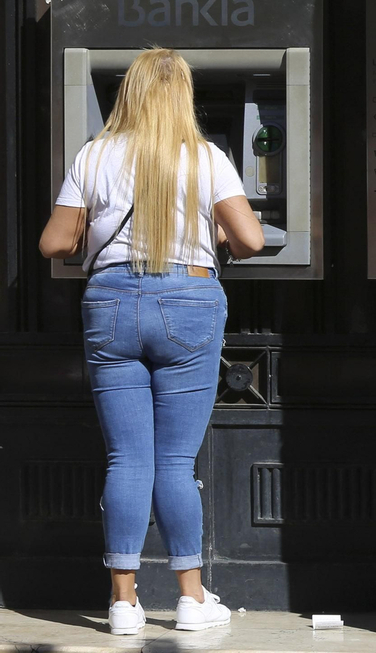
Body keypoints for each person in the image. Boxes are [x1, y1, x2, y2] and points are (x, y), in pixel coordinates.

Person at [39, 48, 265, 636]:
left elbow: (52, 243)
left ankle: (121, 604)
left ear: (128, 93)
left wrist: (90, 234)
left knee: (127, 459)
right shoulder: (206, 157)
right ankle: (191, 600)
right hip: (188, 302)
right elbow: (251, 240)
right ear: (183, 96)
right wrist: (213, 233)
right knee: (173, 461)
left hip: (112, 301)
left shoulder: (94, 155)